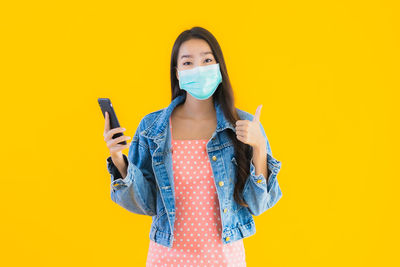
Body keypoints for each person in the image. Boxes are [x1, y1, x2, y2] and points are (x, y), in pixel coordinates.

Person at [103, 26, 283, 266]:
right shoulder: (153, 128)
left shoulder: (244, 125)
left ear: (219, 67)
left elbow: (258, 204)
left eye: (207, 60)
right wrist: (117, 158)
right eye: (188, 63)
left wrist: (259, 147)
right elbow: (145, 203)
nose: (199, 69)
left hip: (223, 259)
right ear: (177, 73)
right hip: (166, 258)